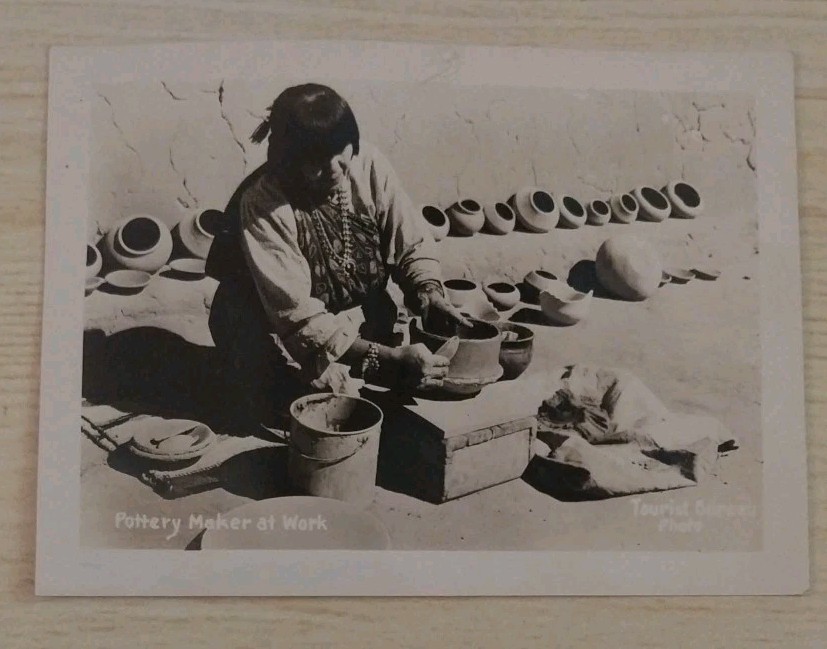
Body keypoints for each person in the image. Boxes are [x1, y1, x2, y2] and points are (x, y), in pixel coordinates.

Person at [206, 83, 468, 430]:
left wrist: (428, 291)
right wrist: (384, 359)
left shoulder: (368, 164)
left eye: (340, 152)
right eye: (315, 161)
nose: (332, 168)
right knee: (318, 413)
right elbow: (300, 321)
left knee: (398, 382)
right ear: (288, 159)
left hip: (353, 322)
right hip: (281, 335)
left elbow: (412, 241)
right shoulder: (263, 204)